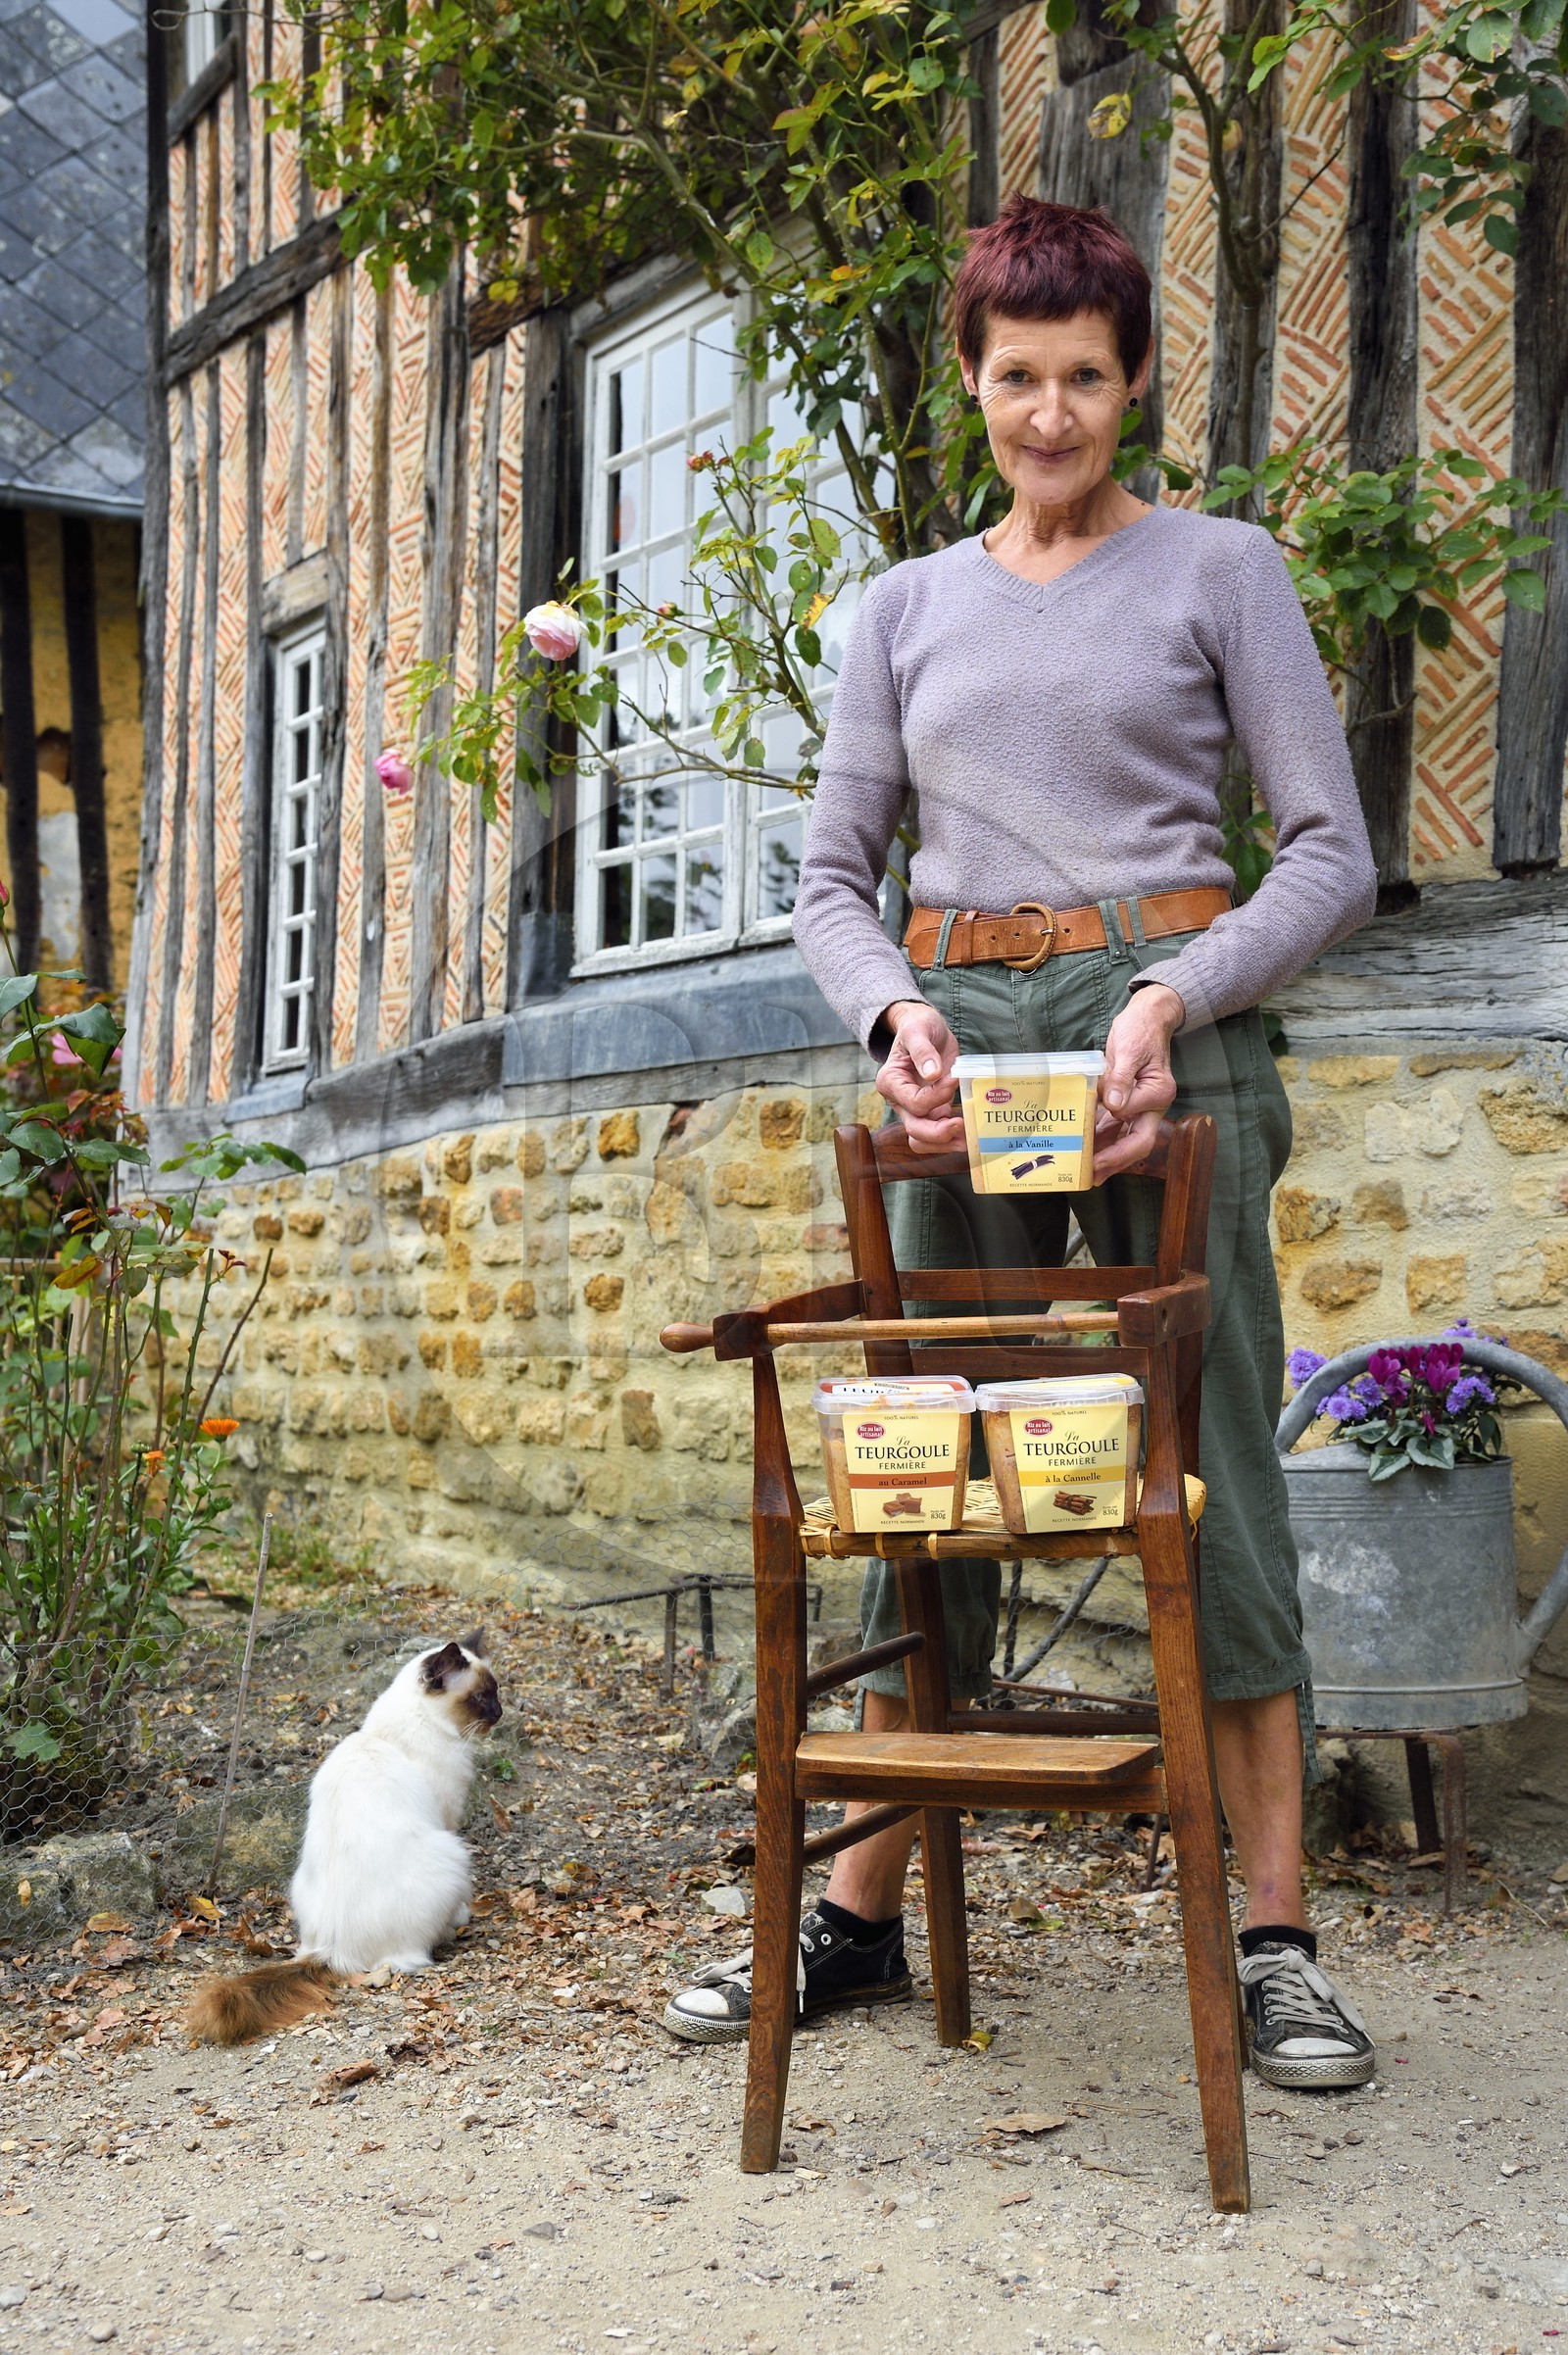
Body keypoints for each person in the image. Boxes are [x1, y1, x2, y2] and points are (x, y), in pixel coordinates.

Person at [663, 196, 1379, 2092]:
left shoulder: (1224, 572)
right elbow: (832, 881)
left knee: (1205, 1460)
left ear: (1132, 378)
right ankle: (858, 1920)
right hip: (960, 1045)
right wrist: (891, 1010)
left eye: (1083, 376)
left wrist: (1172, 1002)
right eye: (1014, 379)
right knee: (932, 1467)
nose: (1049, 414)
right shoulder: (899, 609)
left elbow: (1330, 850)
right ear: (973, 386)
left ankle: (1281, 1941)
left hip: (1168, 1033)